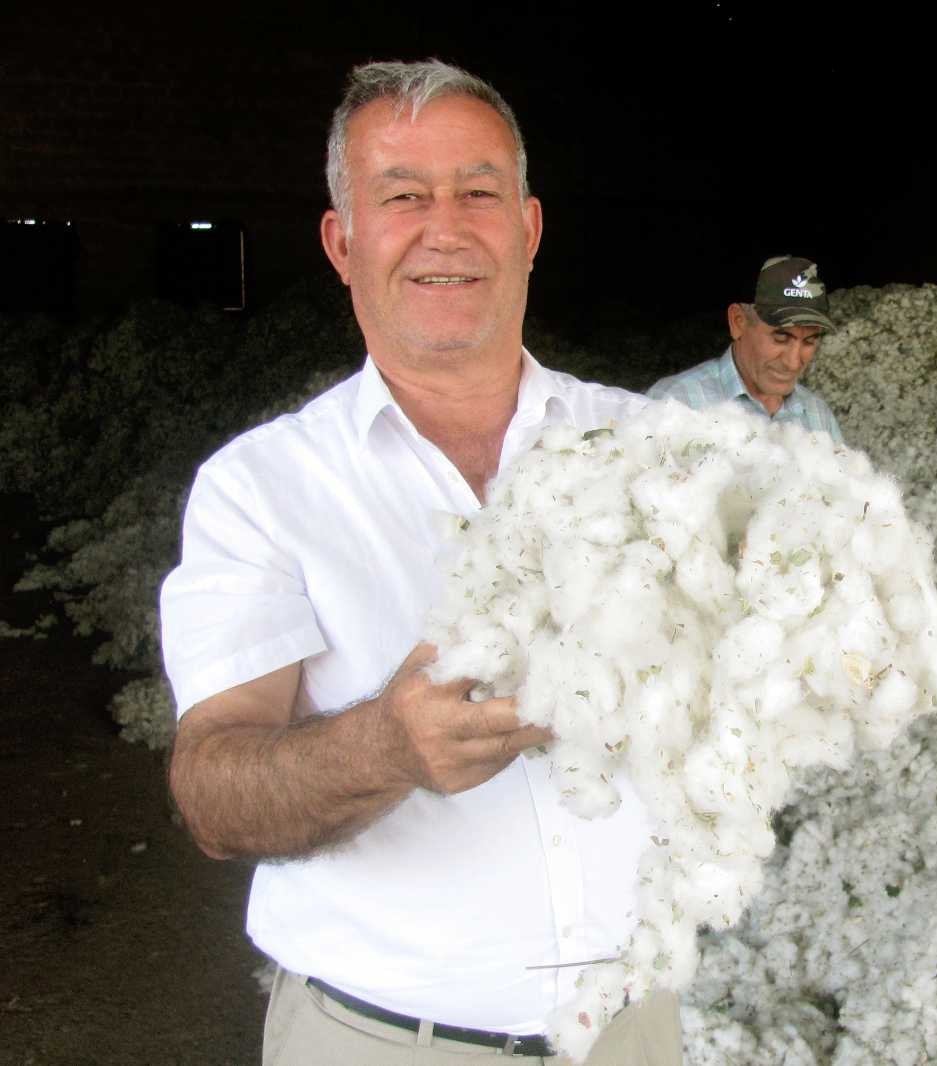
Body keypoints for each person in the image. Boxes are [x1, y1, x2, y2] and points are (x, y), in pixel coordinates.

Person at [160, 60, 681, 1065]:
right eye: (401, 196)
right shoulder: (260, 488)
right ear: (341, 240)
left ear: (527, 228)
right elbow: (211, 792)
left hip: (639, 1031)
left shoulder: (653, 449)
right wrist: (387, 749)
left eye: (478, 192)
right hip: (387, 1042)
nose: (446, 227)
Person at [647, 255, 844, 442]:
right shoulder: (676, 403)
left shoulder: (818, 416)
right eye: (781, 338)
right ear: (738, 322)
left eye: (809, 341)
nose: (793, 363)